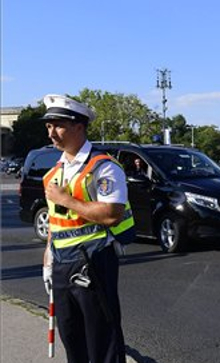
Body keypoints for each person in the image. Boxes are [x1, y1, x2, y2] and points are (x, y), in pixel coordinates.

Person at [40, 94, 135, 363]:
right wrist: (48, 258)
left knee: (102, 341)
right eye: (48, 126)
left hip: (93, 261)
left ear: (78, 126)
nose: (52, 133)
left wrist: (66, 199)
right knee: (72, 338)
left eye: (58, 125)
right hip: (61, 263)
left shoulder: (102, 167)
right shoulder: (55, 171)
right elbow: (55, 221)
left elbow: (111, 214)